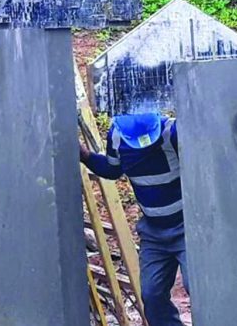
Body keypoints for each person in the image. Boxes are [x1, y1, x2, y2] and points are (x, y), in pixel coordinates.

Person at [80, 112, 188, 326]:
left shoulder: (173, 133)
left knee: (201, 287)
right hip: (154, 233)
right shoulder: (118, 137)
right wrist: (85, 156)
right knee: (152, 295)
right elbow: (112, 169)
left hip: (187, 228)